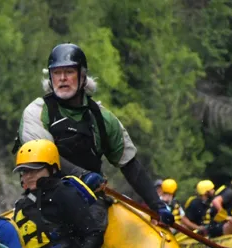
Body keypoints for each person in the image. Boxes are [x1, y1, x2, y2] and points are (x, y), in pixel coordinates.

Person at [17, 43, 175, 226]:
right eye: (56, 73)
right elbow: (42, 158)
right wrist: (82, 176)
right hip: (46, 201)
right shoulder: (35, 112)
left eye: (69, 72)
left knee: (95, 224)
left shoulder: (102, 118)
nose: (62, 79)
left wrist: (157, 205)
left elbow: (130, 166)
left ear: (82, 76)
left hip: (90, 202)